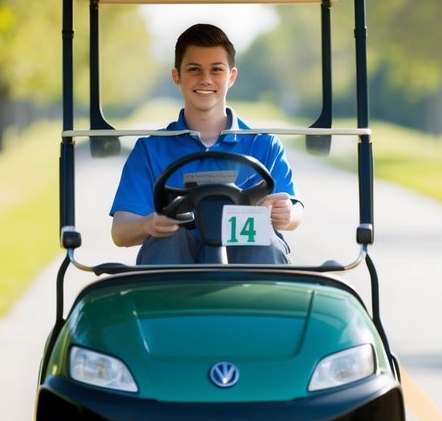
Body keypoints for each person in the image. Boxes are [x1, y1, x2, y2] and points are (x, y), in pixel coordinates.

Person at [110, 23, 303, 264]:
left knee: (262, 239)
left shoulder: (264, 145)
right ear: (177, 76)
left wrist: (286, 213)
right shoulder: (150, 150)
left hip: (245, 261)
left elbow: (294, 212)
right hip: (177, 260)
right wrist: (149, 223)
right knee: (166, 240)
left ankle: (257, 302)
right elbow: (120, 232)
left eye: (216, 69)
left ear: (231, 77)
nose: (205, 79)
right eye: (194, 69)